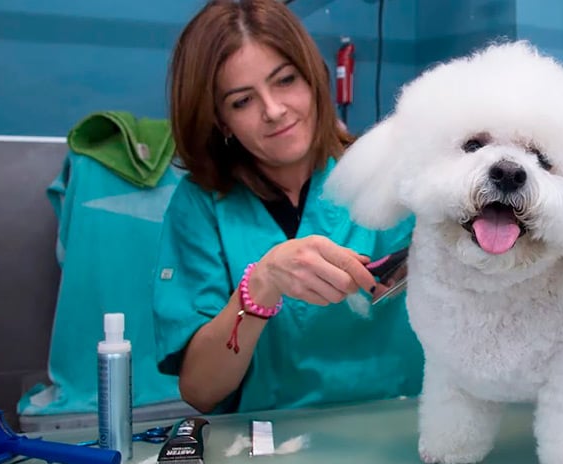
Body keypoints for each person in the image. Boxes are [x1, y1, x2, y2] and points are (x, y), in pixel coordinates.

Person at [152, 0, 424, 415]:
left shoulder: (393, 173)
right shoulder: (202, 206)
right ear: (220, 120)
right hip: (268, 446)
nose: (274, 110)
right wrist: (261, 283)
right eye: (242, 101)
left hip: (402, 429)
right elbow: (201, 391)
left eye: (285, 80)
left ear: (312, 79)